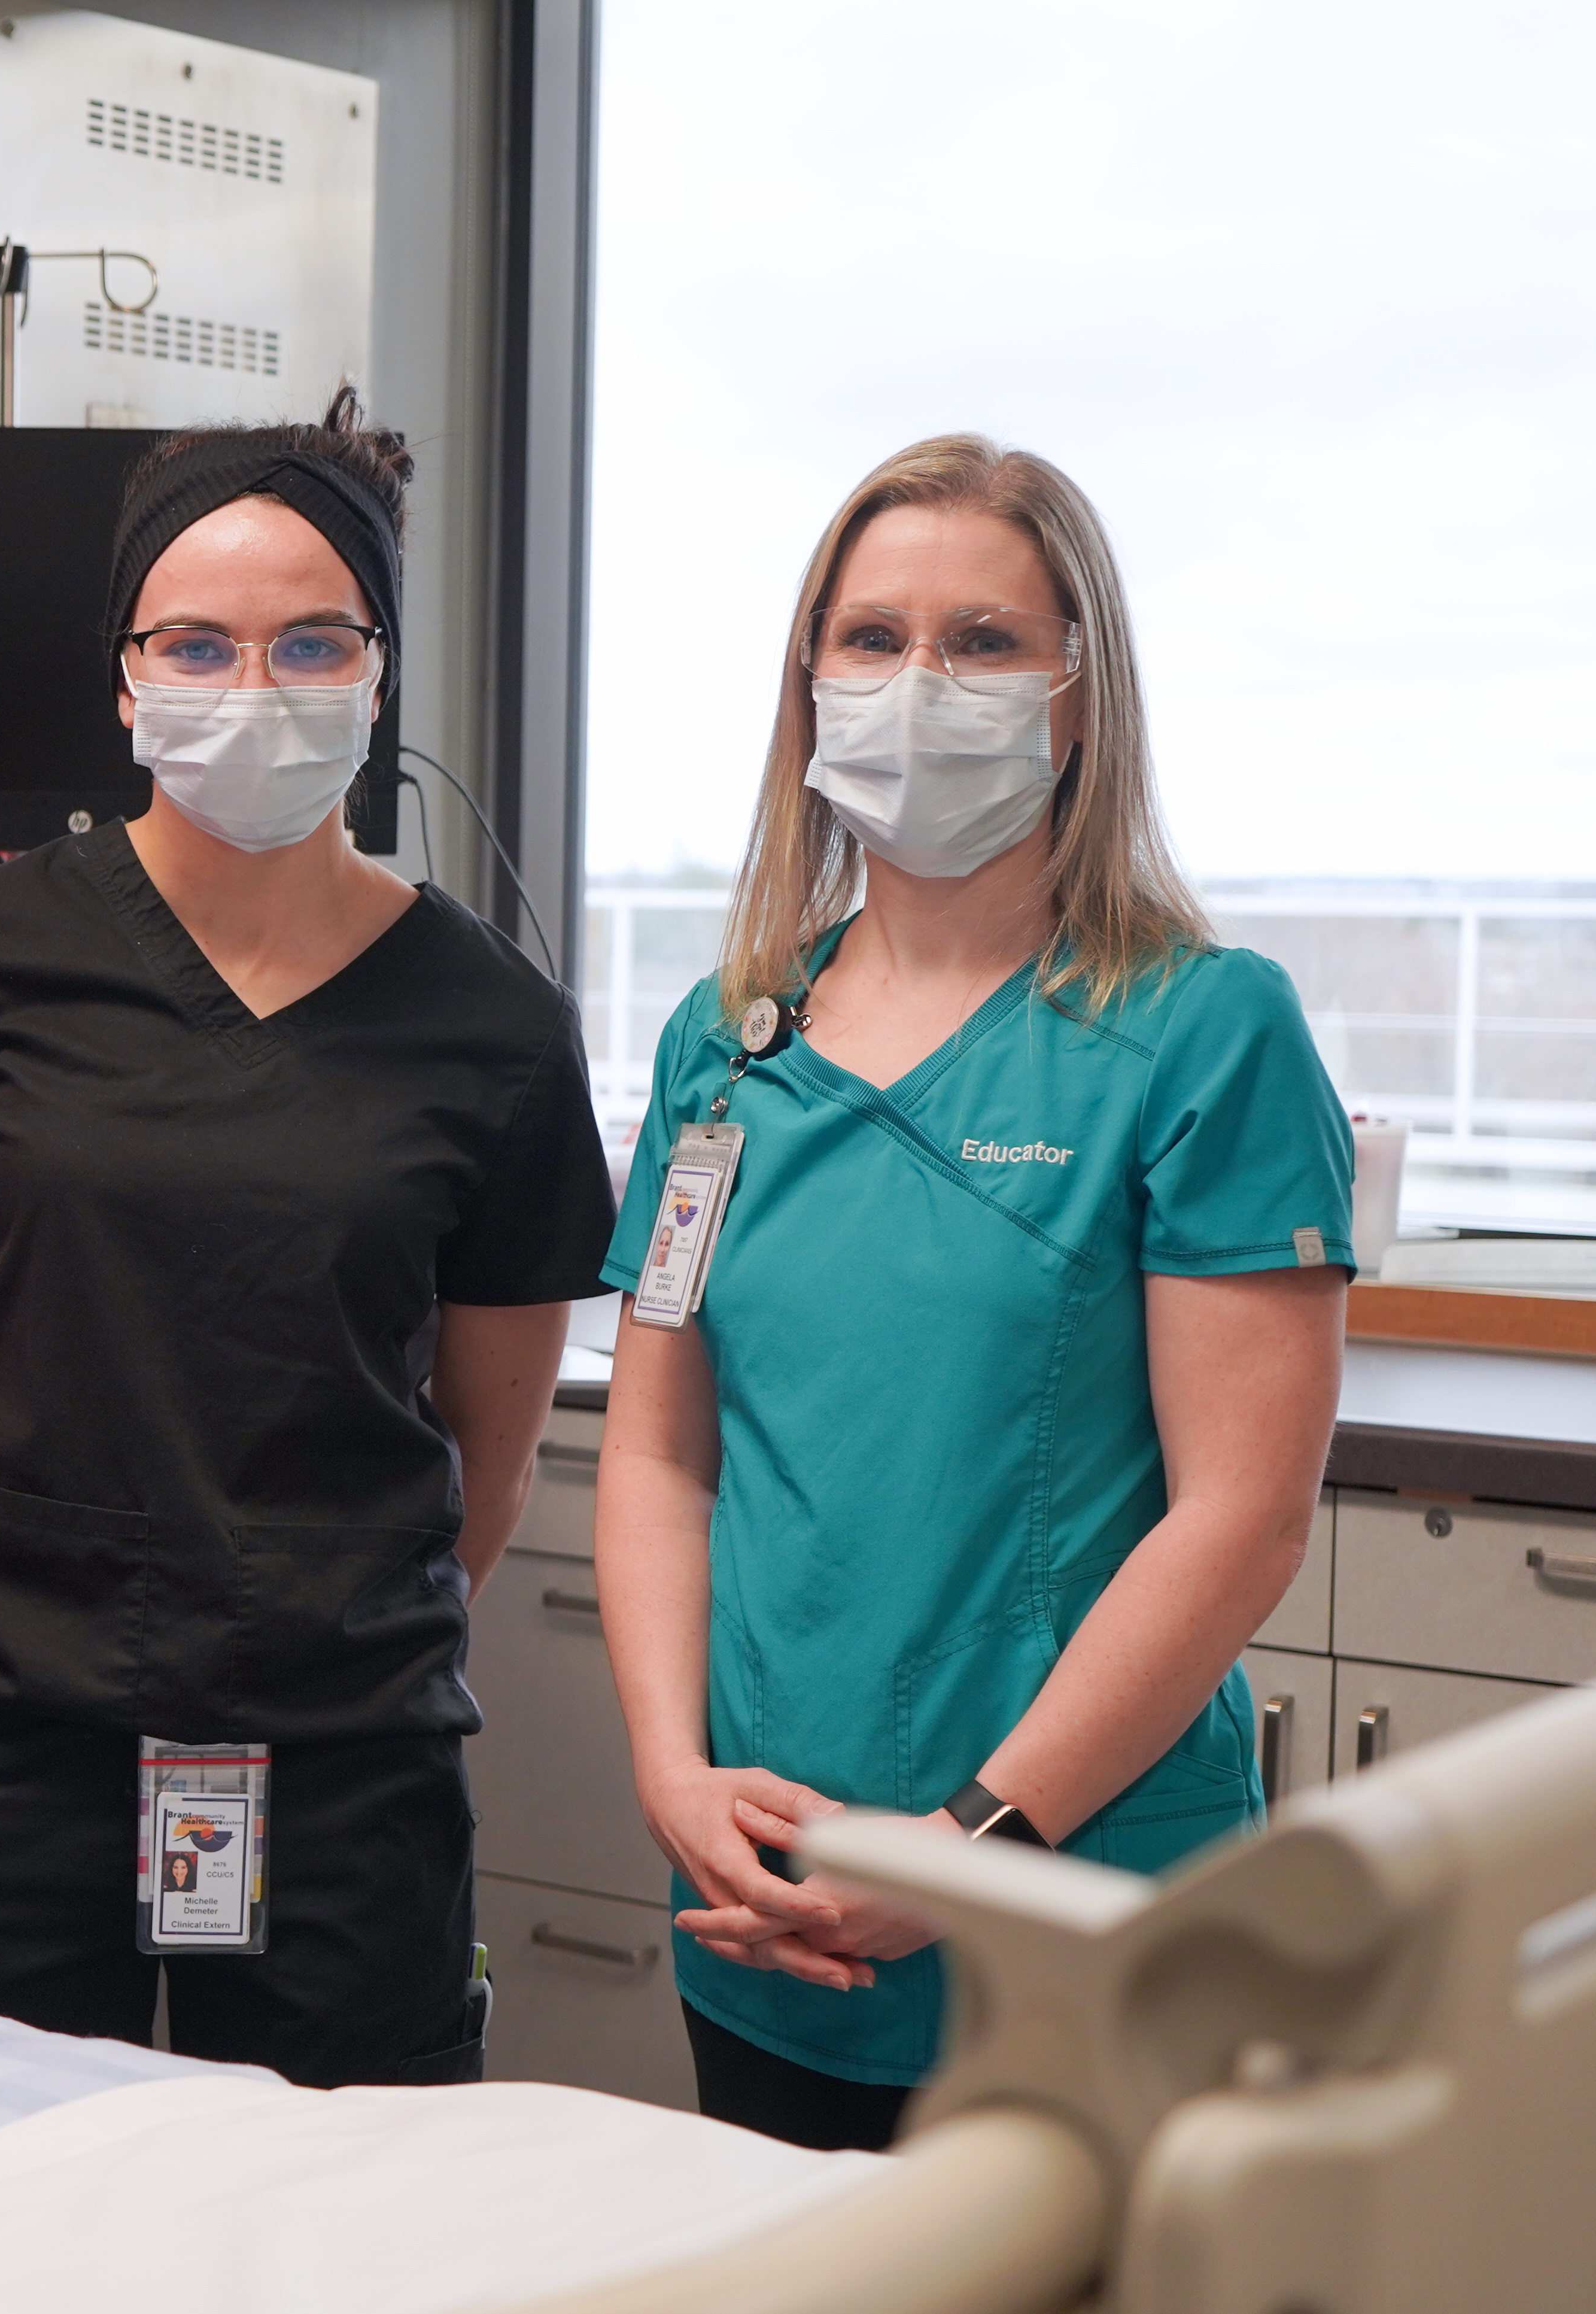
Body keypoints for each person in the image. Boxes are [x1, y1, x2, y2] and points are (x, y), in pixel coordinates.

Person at [0, 389, 618, 2087]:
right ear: (124, 674)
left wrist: (286, 1625)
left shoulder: (497, 1030)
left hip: (342, 1764)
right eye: (199, 643)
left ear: (382, 672)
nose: (254, 690)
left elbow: (489, 1457)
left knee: (332, 2227)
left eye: (314, 645)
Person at [594, 435, 1351, 2149]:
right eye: (870, 638)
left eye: (985, 641)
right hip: (765, 1898)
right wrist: (668, 1772)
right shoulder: (730, 1042)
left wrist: (979, 1846)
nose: (916, 681)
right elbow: (658, 1459)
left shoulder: (1199, 1029)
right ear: (807, 687)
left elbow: (1243, 1518)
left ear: (1081, 698)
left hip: (1074, 1923)